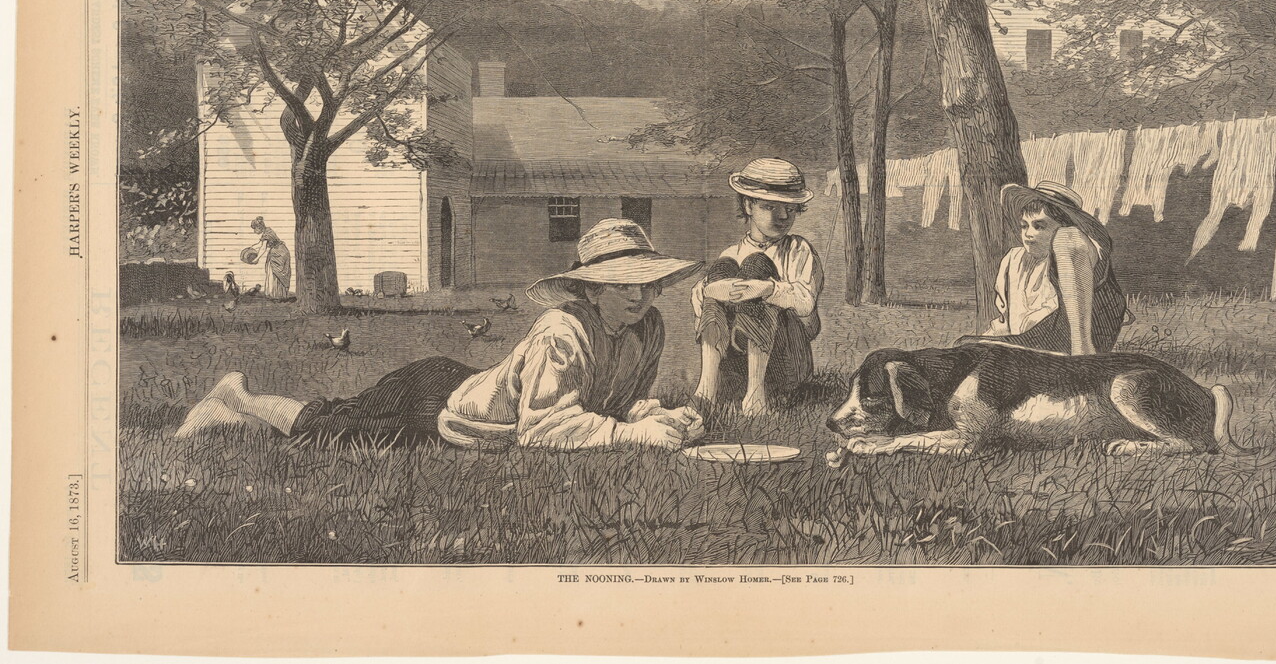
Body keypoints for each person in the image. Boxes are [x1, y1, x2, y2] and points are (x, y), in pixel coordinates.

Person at [176, 219, 707, 451]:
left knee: (334, 417)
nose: (638, 297)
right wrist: (631, 435)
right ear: (589, 290)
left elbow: (612, 403)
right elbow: (542, 432)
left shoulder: (647, 328)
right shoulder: (562, 330)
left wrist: (651, 414)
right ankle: (234, 400)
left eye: (646, 284)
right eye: (621, 286)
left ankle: (235, 398)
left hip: (465, 387)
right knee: (326, 429)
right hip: (432, 403)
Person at [691, 158, 824, 414]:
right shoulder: (731, 253)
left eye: (791, 209)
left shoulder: (799, 249)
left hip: (786, 361)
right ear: (748, 205)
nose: (784, 216)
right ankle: (706, 389)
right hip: (735, 362)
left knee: (757, 265)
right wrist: (709, 290)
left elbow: (806, 305)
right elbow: (700, 306)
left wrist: (767, 289)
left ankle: (756, 394)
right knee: (721, 270)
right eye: (771, 207)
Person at [960, 181, 1128, 355]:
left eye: (1039, 226)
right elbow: (1005, 323)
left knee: (1067, 239)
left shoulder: (1074, 243)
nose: (1028, 234)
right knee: (966, 345)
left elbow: (1071, 243)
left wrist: (1081, 351)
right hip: (1036, 343)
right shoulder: (1014, 259)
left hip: (1083, 339)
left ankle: (1083, 355)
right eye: (1024, 226)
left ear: (1064, 225)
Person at [247, 216, 292, 301]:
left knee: (276, 272)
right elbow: (260, 244)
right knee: (271, 271)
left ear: (259, 227)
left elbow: (263, 248)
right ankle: (274, 294)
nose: (254, 231)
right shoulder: (267, 231)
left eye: (255, 229)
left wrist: (256, 259)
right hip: (277, 251)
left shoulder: (267, 233)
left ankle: (277, 295)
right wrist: (251, 248)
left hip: (280, 253)